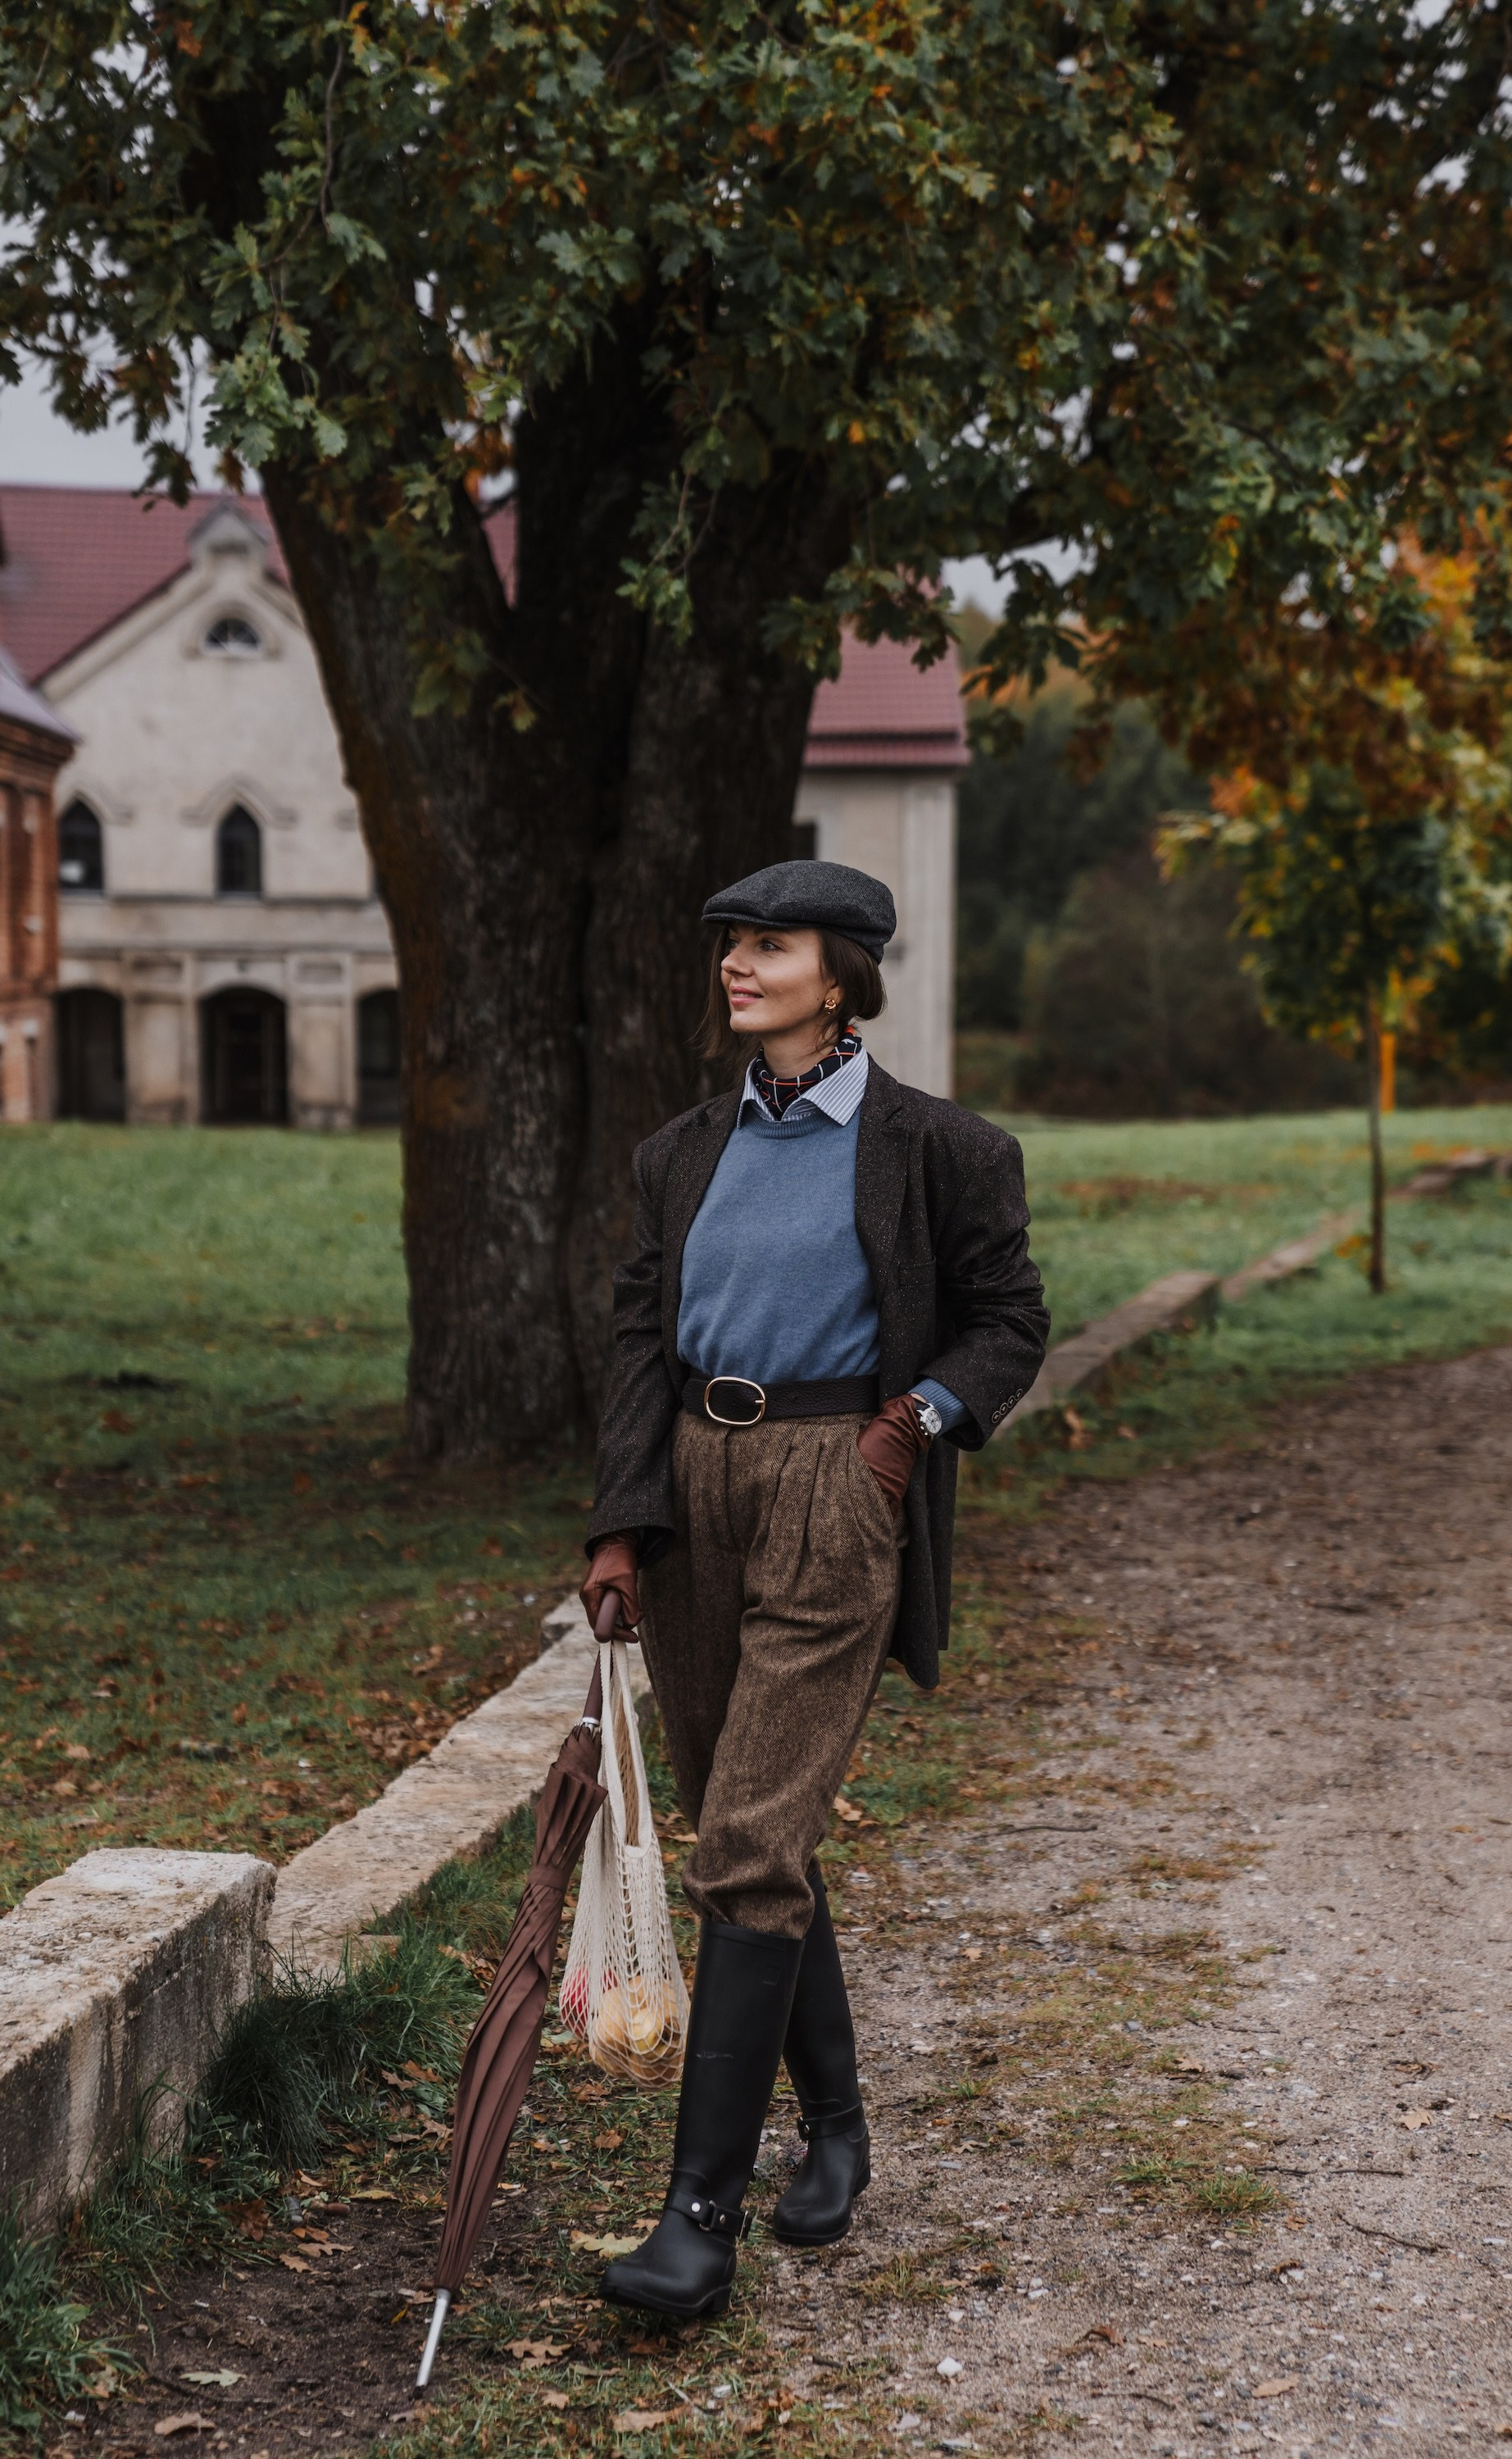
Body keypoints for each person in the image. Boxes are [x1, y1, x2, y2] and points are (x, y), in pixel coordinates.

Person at [581, 858, 1048, 2319]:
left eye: (769, 946)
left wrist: (912, 1429)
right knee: (751, 1832)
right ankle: (837, 2130)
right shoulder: (680, 1151)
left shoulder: (941, 1148)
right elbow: (633, 1341)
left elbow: (1008, 1321)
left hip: (840, 1485)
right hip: (693, 1495)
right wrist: (618, 1527)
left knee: (754, 1835)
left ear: (840, 975)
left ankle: (695, 2225)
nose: (737, 964)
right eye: (731, 943)